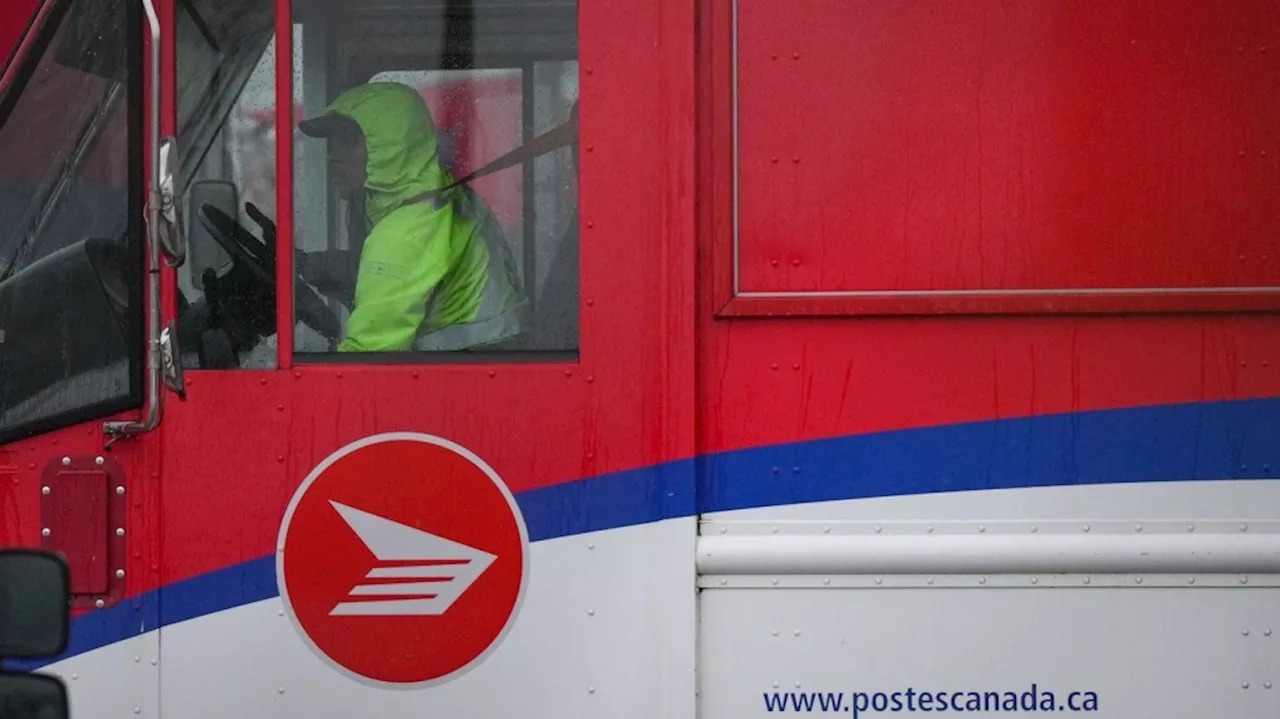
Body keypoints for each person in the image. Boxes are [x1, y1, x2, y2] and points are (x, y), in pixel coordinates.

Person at [296, 81, 528, 352]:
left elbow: (363, 362)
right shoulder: (440, 194)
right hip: (495, 361)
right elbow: (393, 277)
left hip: (465, 380)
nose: (332, 155)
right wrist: (307, 265)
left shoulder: (403, 234)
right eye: (332, 143)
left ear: (391, 147)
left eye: (348, 141)